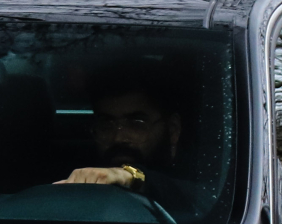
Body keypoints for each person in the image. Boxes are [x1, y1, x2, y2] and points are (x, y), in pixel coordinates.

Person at [58, 77, 193, 211]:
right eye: (106, 124)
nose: (118, 138)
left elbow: (201, 198)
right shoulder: (68, 171)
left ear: (172, 129)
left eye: (136, 124)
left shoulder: (201, 171)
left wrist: (132, 177)